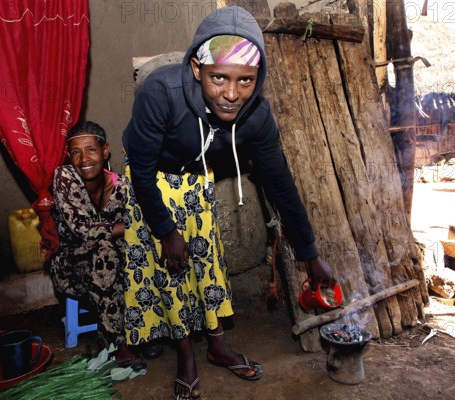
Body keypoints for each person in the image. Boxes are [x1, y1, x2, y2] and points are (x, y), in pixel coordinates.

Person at [122, 6, 334, 399]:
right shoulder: (160, 93)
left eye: (246, 80)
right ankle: (186, 355)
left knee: (208, 263)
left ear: (259, 78)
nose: (232, 93)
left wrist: (309, 253)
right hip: (151, 183)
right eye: (219, 77)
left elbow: (281, 185)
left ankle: (218, 345)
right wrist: (166, 230)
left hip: (195, 183)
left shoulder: (256, 117)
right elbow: (140, 169)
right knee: (171, 270)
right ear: (197, 68)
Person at [49, 120, 146, 370]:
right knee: (106, 250)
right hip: (71, 266)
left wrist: (131, 231)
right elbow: (82, 229)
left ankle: (143, 330)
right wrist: (123, 229)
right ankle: (116, 343)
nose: (83, 159)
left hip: (113, 261)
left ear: (105, 151)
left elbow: (139, 222)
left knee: (134, 251)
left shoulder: (122, 187)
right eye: (75, 152)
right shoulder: (64, 177)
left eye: (91, 149)